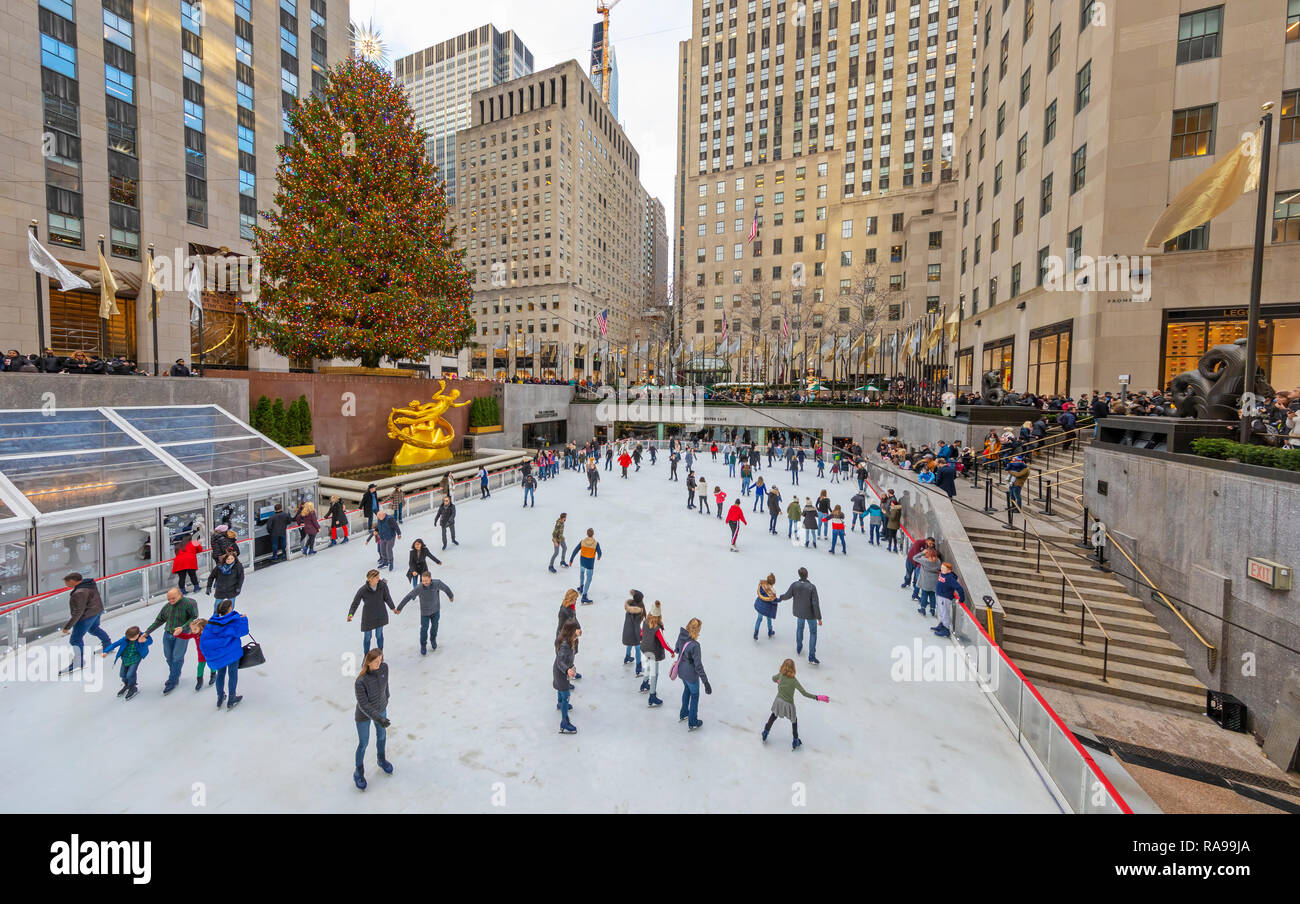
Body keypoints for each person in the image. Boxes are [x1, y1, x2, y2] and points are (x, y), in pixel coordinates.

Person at [761, 659, 829, 750]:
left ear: (783, 666)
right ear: (793, 669)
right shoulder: (794, 681)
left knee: (774, 715)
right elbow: (804, 693)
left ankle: (765, 732)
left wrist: (778, 681)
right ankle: (795, 740)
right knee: (794, 721)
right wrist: (817, 697)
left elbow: (773, 678)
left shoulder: (780, 675)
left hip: (779, 701)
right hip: (789, 704)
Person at [142, 587, 200, 695]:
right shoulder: (167, 607)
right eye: (169, 599)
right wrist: (147, 633)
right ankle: (176, 673)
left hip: (182, 634)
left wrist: (182, 627)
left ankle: (172, 680)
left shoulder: (189, 604)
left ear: (180, 595)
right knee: (168, 656)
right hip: (168, 633)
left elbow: (194, 617)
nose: (171, 601)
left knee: (177, 657)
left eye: (173, 598)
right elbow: (159, 620)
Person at [353, 648, 393, 790]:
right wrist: (378, 718)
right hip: (364, 715)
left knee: (382, 735)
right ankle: (359, 772)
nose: (379, 663)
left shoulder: (384, 668)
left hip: (381, 708)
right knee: (363, 743)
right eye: (376, 661)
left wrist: (386, 699)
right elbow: (363, 705)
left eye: (380, 660)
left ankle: (381, 759)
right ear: (368, 662)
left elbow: (385, 685)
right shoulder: (360, 681)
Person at [60, 572, 112, 674]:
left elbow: (78, 612)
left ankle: (78, 662)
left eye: (67, 583)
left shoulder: (79, 592)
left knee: (75, 639)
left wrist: (67, 627)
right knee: (94, 629)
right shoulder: (89, 584)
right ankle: (107, 644)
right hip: (96, 611)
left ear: (73, 581)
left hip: (86, 616)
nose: (66, 585)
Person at [202, 599, 249, 710]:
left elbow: (206, 639)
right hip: (232, 653)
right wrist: (244, 619)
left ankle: (220, 698)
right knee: (232, 675)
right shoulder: (233, 620)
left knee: (220, 674)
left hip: (219, 656)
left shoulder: (211, 622)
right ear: (229, 609)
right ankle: (231, 699)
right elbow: (243, 631)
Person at [396, 570, 454, 654]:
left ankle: (433, 639)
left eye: (426, 580)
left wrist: (450, 596)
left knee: (435, 626)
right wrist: (399, 608)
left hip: (435, 610)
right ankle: (423, 645)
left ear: (430, 578)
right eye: (423, 581)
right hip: (425, 612)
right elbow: (409, 596)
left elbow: (445, 588)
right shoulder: (419, 587)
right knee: (424, 628)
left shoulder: (437, 583)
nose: (424, 582)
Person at [778, 567, 823, 664]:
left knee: (799, 628)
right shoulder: (812, 587)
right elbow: (815, 604)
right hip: (810, 615)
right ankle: (811, 656)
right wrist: (819, 618)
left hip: (799, 612)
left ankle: (799, 647)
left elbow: (787, 595)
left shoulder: (795, 585)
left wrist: (780, 598)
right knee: (813, 633)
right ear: (807, 575)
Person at [674, 618, 711, 730]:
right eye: (699, 630)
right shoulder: (695, 645)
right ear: (696, 630)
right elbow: (698, 666)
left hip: (681, 672)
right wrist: (706, 682)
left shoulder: (681, 636)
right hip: (691, 675)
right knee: (694, 696)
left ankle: (684, 713)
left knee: (687, 690)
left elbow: (676, 649)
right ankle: (693, 721)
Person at [348, 569, 397, 654]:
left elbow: (387, 598)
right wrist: (351, 614)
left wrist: (393, 608)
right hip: (368, 617)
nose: (379, 579)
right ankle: (366, 656)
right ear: (370, 579)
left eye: (378, 577)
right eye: (376, 578)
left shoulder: (383, 586)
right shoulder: (362, 590)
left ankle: (380, 655)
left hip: (380, 615)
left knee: (379, 635)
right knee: (367, 637)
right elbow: (355, 603)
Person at [101, 627, 153, 701]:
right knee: (122, 674)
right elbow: (115, 644)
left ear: (138, 634)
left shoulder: (143, 636)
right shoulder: (126, 638)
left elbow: (150, 642)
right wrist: (106, 651)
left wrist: (145, 640)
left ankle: (133, 687)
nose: (130, 639)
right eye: (129, 638)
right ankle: (127, 684)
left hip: (136, 658)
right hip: (125, 658)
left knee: (130, 674)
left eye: (132, 638)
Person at [638, 604, 674, 706]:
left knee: (648, 667)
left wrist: (643, 642)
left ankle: (644, 684)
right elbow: (664, 643)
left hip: (645, 649)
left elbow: (641, 634)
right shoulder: (657, 628)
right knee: (654, 674)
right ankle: (652, 696)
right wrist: (671, 651)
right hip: (653, 652)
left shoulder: (645, 621)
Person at [554, 621, 581, 734]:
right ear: (571, 631)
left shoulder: (572, 640)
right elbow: (560, 661)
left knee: (561, 690)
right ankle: (564, 722)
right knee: (566, 694)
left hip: (563, 670)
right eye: (577, 629)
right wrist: (567, 670)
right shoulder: (565, 645)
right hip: (561, 672)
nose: (580, 630)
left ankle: (559, 703)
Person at [174, 618, 212, 691]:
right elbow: (186, 636)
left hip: (210, 653)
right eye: (192, 629)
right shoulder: (195, 634)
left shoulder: (208, 633)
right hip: (201, 654)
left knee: (211, 665)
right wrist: (177, 634)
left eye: (195, 629)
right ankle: (199, 681)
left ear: (201, 628)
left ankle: (213, 675)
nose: (193, 631)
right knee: (200, 667)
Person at [205, 550, 244, 614]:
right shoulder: (219, 567)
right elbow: (211, 577)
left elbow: (241, 577)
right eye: (228, 559)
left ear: (234, 559)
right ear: (225, 559)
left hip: (232, 590)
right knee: (217, 607)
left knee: (230, 607)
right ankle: (215, 619)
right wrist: (209, 587)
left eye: (232, 559)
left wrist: (239, 587)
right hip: (220, 590)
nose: (230, 560)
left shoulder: (238, 566)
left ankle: (228, 619)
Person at [568, 529, 603, 603]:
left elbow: (575, 551)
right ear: (593, 534)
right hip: (590, 563)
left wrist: (571, 560)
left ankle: (581, 587)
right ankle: (584, 596)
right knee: (589, 578)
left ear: (587, 534)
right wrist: (599, 556)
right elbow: (600, 552)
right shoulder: (596, 543)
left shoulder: (582, 542)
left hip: (583, 562)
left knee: (582, 573)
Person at [933, 562, 966, 638]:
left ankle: (946, 630)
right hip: (939, 595)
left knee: (945, 614)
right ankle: (941, 625)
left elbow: (959, 588)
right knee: (941, 612)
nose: (942, 569)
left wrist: (961, 599)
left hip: (945, 598)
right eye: (941, 567)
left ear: (949, 570)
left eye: (944, 568)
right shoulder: (942, 573)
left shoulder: (950, 578)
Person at [622, 589, 646, 676]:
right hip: (634, 633)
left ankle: (627, 657)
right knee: (638, 649)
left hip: (627, 631)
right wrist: (639, 637)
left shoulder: (630, 606)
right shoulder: (638, 611)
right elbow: (636, 627)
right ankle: (638, 667)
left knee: (629, 644)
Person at [913, 546, 942, 618]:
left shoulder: (924, 560)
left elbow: (914, 557)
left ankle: (923, 608)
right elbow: (939, 568)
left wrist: (922, 553)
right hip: (934, 581)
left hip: (926, 580)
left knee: (924, 594)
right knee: (932, 595)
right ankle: (932, 610)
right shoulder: (938, 561)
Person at [903, 535, 934, 599]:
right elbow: (916, 554)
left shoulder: (930, 548)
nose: (931, 545)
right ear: (927, 541)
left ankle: (915, 588)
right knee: (908, 572)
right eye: (930, 543)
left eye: (932, 544)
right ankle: (907, 581)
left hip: (918, 564)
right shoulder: (918, 542)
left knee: (916, 577)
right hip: (911, 560)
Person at [753, 572, 779, 640]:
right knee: (769, 620)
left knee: (759, 619)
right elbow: (774, 601)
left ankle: (755, 633)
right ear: (773, 583)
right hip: (767, 609)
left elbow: (759, 593)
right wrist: (780, 600)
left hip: (760, 606)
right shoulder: (771, 592)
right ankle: (770, 632)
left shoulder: (761, 585)